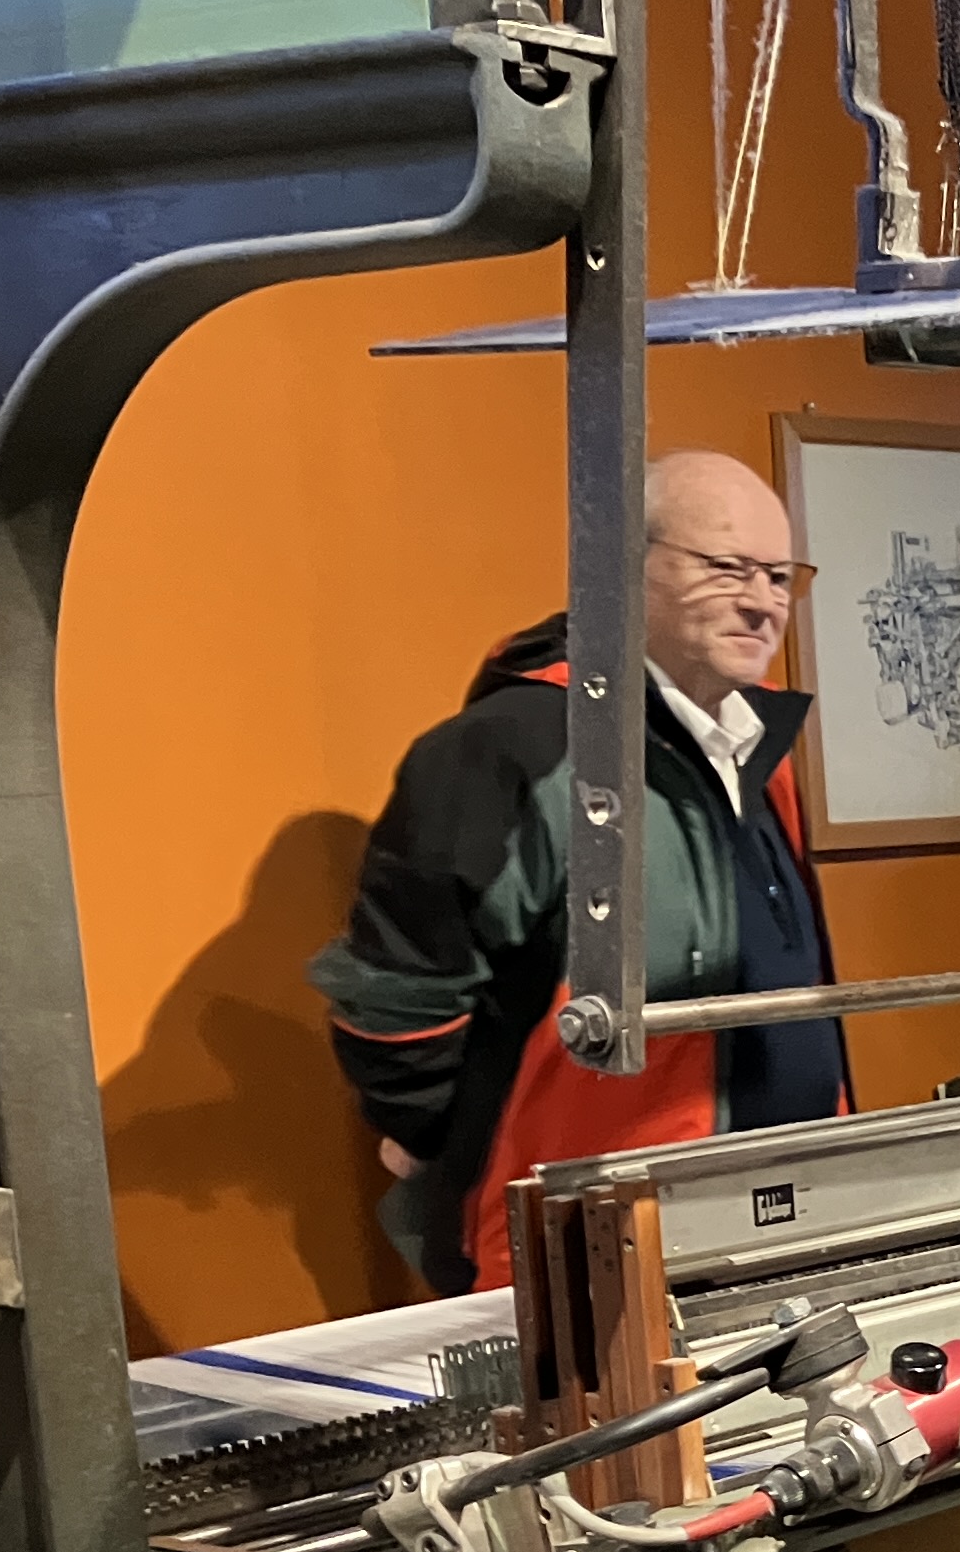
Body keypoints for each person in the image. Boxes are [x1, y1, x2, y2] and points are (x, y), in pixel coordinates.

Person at [312, 449, 852, 1295]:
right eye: (726, 568)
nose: (761, 602)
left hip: (776, 1232)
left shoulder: (759, 750)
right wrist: (463, 1153)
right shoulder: (510, 750)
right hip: (585, 1261)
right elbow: (396, 1004)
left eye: (780, 578)